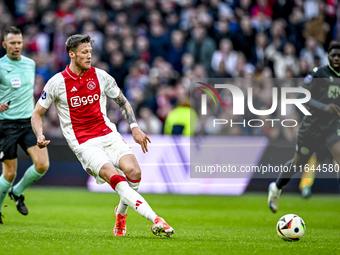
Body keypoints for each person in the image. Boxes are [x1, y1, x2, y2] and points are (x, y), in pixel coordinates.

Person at [31, 34, 175, 237]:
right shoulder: (57, 82)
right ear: (71, 54)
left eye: (90, 52)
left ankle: (121, 213)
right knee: (114, 176)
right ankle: (156, 219)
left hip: (108, 134)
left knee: (134, 172)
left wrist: (134, 126)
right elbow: (37, 113)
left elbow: (122, 101)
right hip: (84, 143)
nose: (89, 56)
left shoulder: (101, 76)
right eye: (84, 52)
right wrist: (39, 134)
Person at [268, 42, 340, 213]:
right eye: (334, 55)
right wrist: (324, 107)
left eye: (339, 56)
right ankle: (277, 188)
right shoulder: (319, 73)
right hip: (312, 128)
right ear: (328, 57)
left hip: (332, 128)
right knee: (297, 163)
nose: (337, 58)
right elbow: (301, 96)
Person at [0, 26, 49, 224]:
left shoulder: (30, 64)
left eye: (19, 42)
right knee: (9, 173)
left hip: (27, 122)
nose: (16, 46)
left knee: (42, 164)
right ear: (5, 45)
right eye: (12, 43)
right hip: (6, 125)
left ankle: (17, 192)